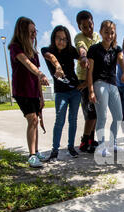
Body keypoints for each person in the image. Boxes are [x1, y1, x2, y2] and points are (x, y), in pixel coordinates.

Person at [8, 17, 49, 168]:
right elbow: (27, 63)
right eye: (30, 32)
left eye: (34, 31)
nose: (33, 35)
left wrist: (42, 98)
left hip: (34, 92)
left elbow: (36, 75)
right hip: (21, 91)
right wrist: (41, 74)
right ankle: (32, 156)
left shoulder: (34, 53)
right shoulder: (15, 47)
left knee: (36, 121)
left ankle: (36, 151)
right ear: (22, 32)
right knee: (32, 119)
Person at [87, 20, 124, 157]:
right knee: (102, 116)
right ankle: (101, 146)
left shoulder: (117, 49)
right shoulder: (94, 49)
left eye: (112, 33)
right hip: (99, 83)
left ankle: (112, 143)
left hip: (113, 84)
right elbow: (90, 71)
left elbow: (122, 62)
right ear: (101, 32)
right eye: (106, 32)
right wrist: (91, 90)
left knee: (118, 116)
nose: (109, 36)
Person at [41, 25, 84, 161]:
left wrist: (86, 83)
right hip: (61, 93)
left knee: (73, 120)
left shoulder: (70, 50)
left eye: (65, 39)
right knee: (59, 120)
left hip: (75, 91)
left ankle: (71, 147)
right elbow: (51, 57)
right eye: (59, 38)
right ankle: (55, 150)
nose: (62, 42)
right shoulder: (46, 50)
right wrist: (58, 66)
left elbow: (86, 59)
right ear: (54, 38)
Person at [74, 10, 101, 153]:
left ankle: (91, 138)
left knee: (96, 112)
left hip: (96, 79)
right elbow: (82, 48)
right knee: (89, 113)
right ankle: (85, 141)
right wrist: (83, 58)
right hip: (84, 79)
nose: (88, 29)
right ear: (79, 27)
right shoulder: (79, 37)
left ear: (93, 22)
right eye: (84, 27)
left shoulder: (97, 36)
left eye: (90, 25)